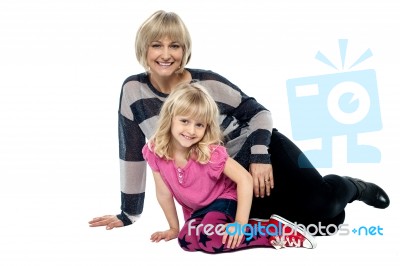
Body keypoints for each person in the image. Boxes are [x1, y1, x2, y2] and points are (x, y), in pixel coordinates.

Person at [88, 10, 390, 235]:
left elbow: (259, 113)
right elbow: (131, 151)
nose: (166, 54)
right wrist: (129, 213)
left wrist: (260, 155)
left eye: (175, 46)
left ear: (185, 50)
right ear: (144, 49)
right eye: (156, 45)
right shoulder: (132, 91)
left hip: (260, 154)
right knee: (323, 226)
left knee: (323, 207)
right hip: (223, 183)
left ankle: (352, 187)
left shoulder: (207, 82)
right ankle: (331, 212)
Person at [142, 82, 316, 252]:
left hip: (222, 201)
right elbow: (164, 194)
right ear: (170, 117)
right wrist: (173, 228)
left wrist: (240, 224)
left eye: (199, 124)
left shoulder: (209, 152)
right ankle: (254, 224)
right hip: (197, 211)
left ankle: (273, 232)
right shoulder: (155, 151)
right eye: (185, 121)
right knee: (186, 240)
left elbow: (245, 179)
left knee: (211, 239)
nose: (191, 130)